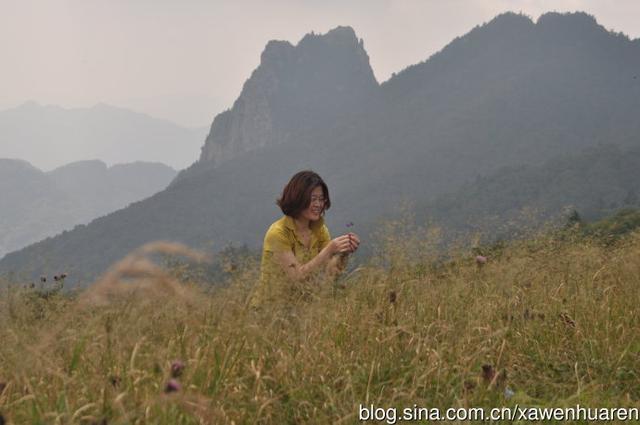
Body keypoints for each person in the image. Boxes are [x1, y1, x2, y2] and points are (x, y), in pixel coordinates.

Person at [250, 170, 360, 307]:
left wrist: (342, 253)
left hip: (301, 310)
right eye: (313, 199)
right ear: (298, 198)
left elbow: (330, 274)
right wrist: (329, 250)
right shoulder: (278, 233)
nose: (318, 205)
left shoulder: (320, 230)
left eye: (321, 199)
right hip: (270, 310)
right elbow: (297, 276)